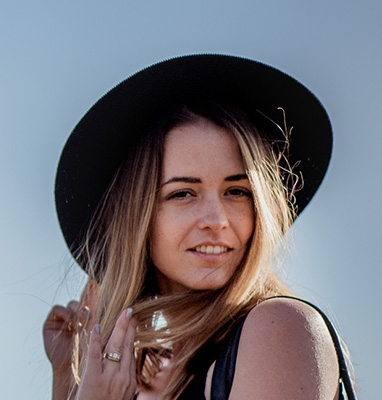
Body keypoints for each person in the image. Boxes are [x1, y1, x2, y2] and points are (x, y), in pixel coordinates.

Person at [43, 55, 356, 400]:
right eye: (183, 194)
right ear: (137, 219)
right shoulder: (145, 383)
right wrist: (69, 381)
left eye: (237, 191)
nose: (217, 219)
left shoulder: (279, 328)